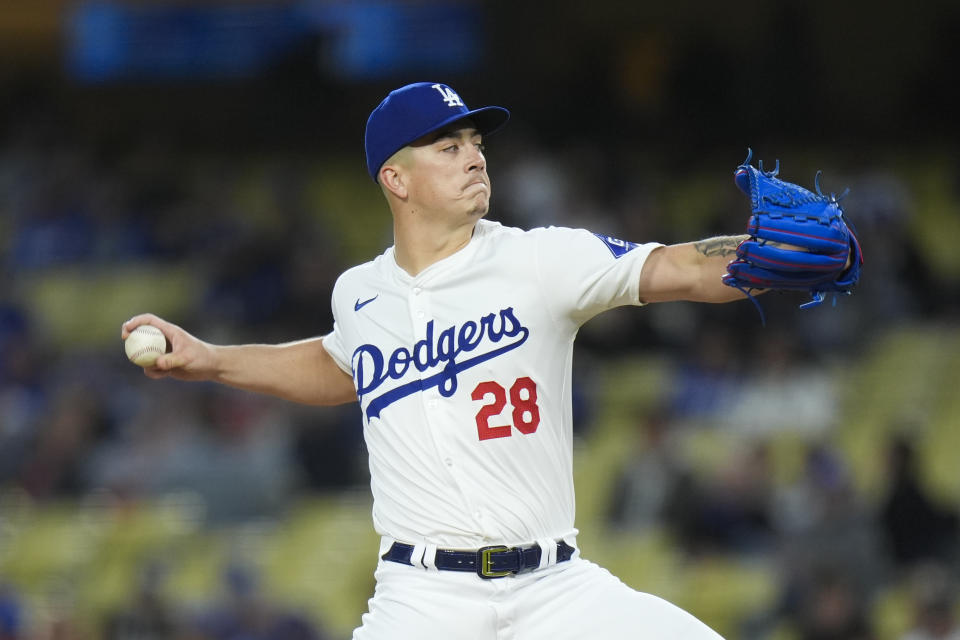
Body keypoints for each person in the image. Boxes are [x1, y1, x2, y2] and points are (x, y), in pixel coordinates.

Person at [123, 82, 792, 639]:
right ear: (396, 178)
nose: (475, 158)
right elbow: (341, 368)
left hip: (556, 590)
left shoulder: (538, 259)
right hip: (422, 600)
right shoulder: (360, 293)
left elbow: (676, 267)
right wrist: (211, 360)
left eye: (476, 144)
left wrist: (771, 254)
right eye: (449, 147)